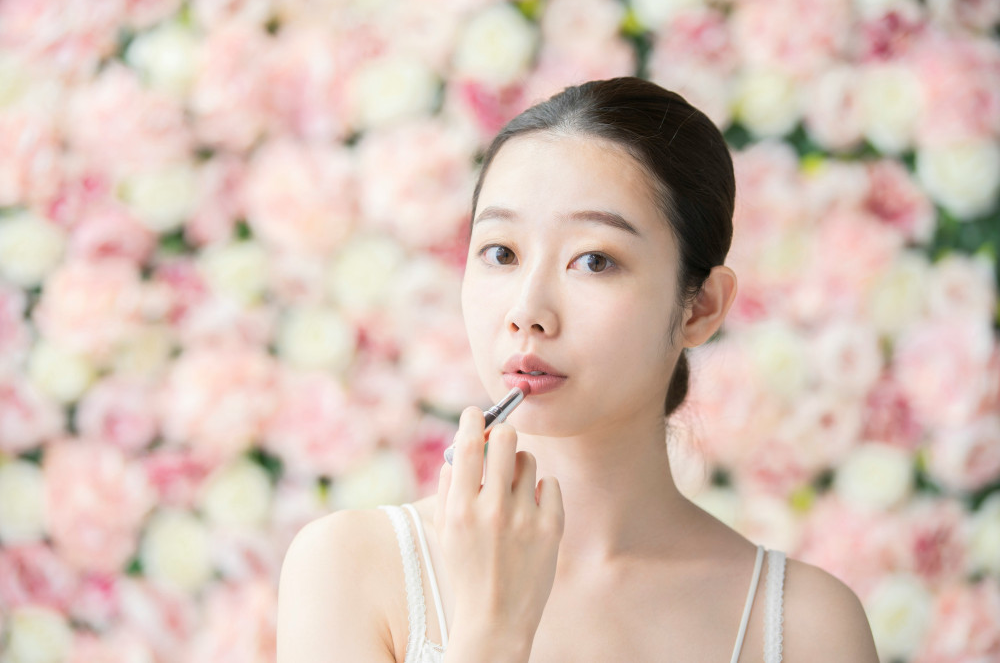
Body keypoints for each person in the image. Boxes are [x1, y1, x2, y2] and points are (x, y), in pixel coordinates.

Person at [276, 77, 880, 662]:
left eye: (594, 260)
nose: (527, 312)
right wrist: (491, 629)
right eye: (501, 253)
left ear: (700, 308)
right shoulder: (350, 568)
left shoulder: (806, 628)